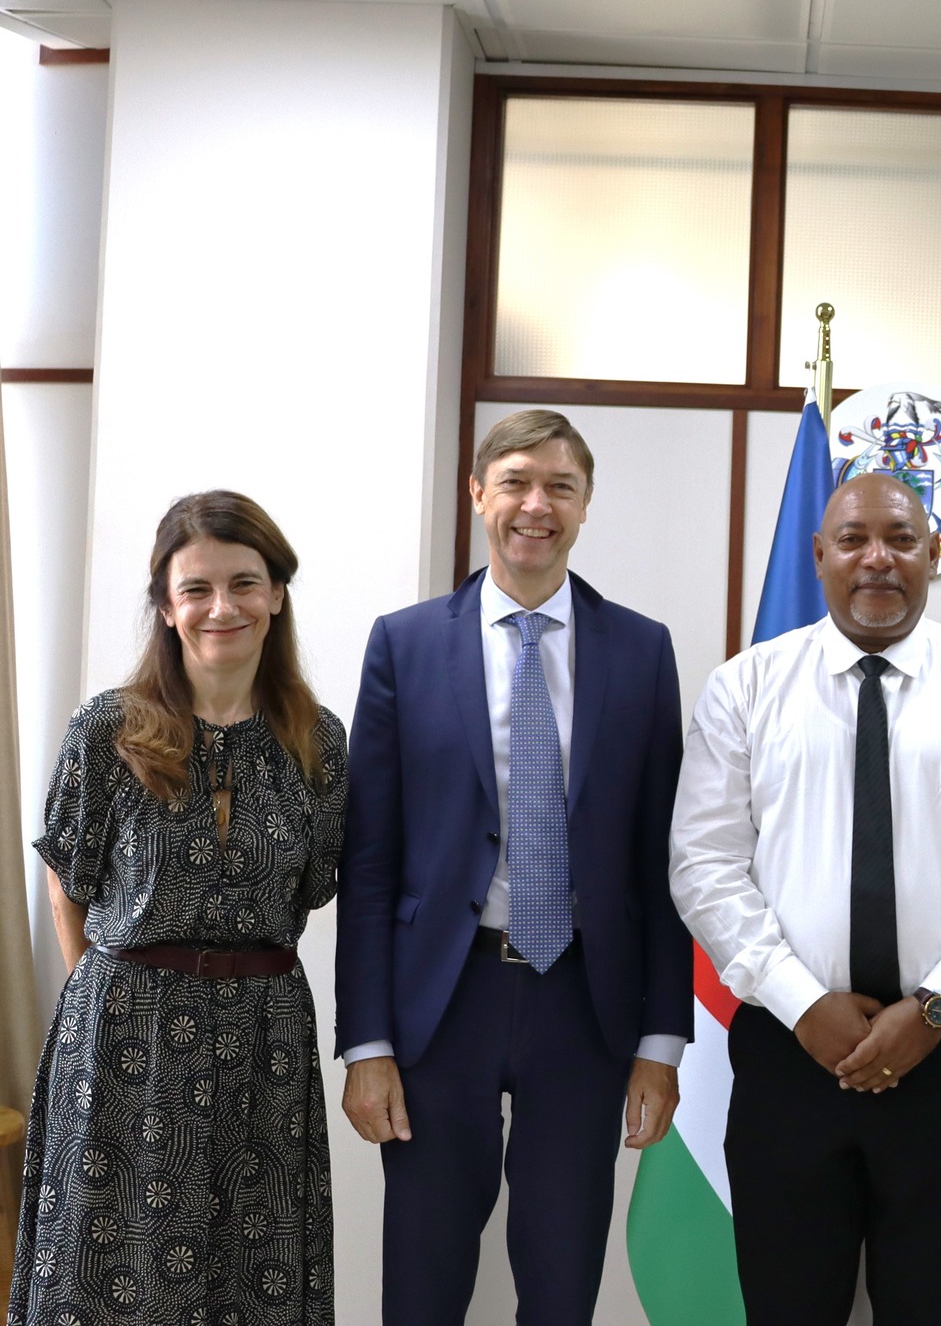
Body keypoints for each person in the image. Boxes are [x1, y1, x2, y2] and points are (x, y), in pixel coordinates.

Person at [670, 472, 941, 1326]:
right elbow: (705, 864)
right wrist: (801, 1001)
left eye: (900, 538)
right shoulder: (745, 687)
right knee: (788, 1308)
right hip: (789, 1051)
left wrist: (934, 1005)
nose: (877, 558)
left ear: (934, 552)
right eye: (853, 539)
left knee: (930, 1307)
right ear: (819, 554)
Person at [334, 409, 691, 1326]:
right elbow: (369, 863)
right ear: (478, 493)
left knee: (562, 1283)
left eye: (560, 487)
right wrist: (366, 1043)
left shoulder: (642, 649)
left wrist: (661, 1043)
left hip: (583, 1003)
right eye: (517, 483)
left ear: (585, 504)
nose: (538, 505)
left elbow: (660, 859)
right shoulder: (405, 644)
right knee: (423, 1283)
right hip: (439, 1005)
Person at [10, 492, 347, 1326]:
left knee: (255, 1271)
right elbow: (66, 881)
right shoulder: (108, 729)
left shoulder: (319, 741)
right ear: (166, 604)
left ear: (276, 594)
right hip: (126, 1039)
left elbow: (311, 889)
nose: (221, 606)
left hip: (266, 1042)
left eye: (244, 582)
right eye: (196, 587)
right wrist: (105, 998)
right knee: (113, 1272)